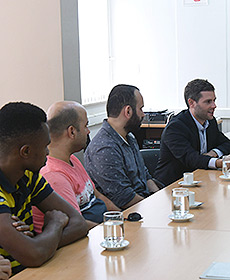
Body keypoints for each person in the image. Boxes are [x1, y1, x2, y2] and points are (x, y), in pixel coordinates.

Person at [0, 102, 88, 275]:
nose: (48, 152)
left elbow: (79, 223)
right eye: (45, 146)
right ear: (25, 152)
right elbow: (34, 254)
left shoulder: (29, 177)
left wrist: (39, 242)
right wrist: (54, 225)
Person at [32, 101, 118, 232]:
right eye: (85, 126)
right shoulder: (54, 175)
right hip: (86, 241)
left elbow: (98, 196)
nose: (88, 131)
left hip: (100, 232)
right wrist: (110, 232)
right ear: (72, 132)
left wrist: (121, 218)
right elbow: (78, 224)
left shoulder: (72, 159)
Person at [85, 85, 159, 210]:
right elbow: (124, 198)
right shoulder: (104, 148)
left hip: (144, 204)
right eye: (140, 109)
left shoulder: (129, 136)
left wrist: (159, 198)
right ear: (128, 111)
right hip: (131, 213)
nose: (143, 114)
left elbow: (145, 176)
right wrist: (154, 206)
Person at [154, 79, 230, 186]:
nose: (214, 106)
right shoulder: (176, 127)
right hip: (173, 186)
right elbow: (190, 159)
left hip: (201, 180)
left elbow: (228, 144)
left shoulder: (210, 121)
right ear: (192, 103)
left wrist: (213, 153)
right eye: (208, 102)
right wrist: (219, 163)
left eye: (214, 100)